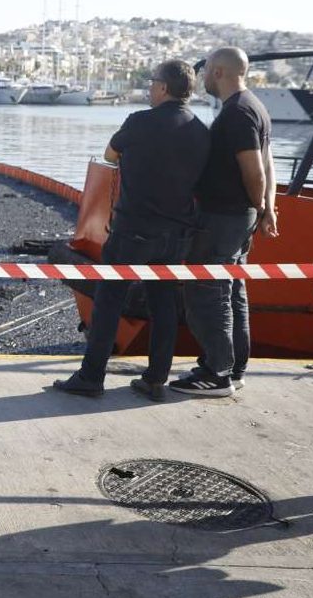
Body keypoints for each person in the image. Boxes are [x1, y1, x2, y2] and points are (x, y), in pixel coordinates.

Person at [54, 59, 210, 401]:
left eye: (152, 81)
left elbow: (110, 155)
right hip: (177, 235)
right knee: (164, 304)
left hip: (133, 231)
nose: (149, 87)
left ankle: (91, 377)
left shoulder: (139, 121)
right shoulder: (201, 131)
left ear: (164, 88)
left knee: (109, 301)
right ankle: (156, 379)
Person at [170, 46, 277, 397]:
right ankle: (234, 368)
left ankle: (216, 373)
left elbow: (255, 170)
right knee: (232, 291)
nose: (202, 79)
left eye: (205, 72)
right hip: (239, 217)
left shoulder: (237, 113)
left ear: (218, 72)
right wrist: (266, 209)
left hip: (223, 217)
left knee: (207, 292)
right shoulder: (255, 106)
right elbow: (269, 162)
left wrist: (259, 204)